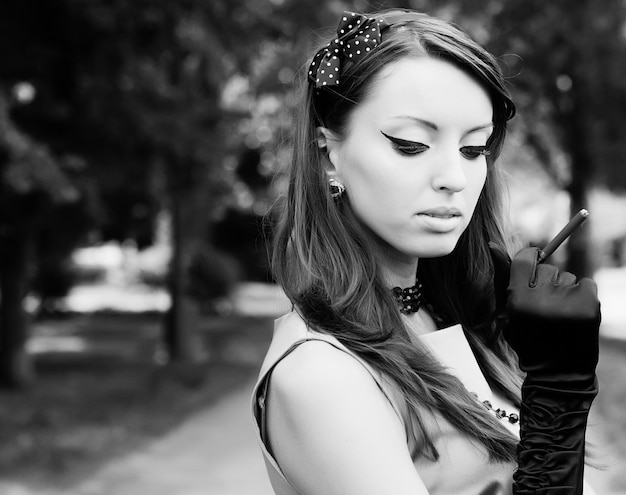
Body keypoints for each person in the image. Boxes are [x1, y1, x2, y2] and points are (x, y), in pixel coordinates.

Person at [251, 8, 601, 495]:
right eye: (412, 145)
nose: (454, 179)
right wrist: (560, 393)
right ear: (328, 153)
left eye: (474, 149)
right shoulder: (322, 377)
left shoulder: (447, 316)